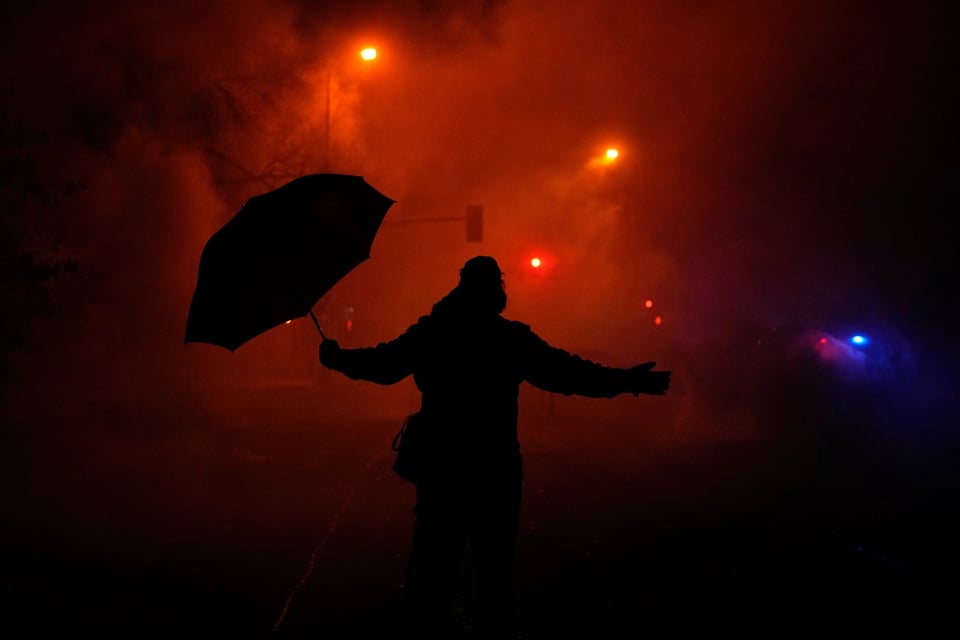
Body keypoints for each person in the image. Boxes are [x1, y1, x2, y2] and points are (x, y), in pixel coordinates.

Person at [318, 256, 671, 638]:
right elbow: (568, 373)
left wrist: (337, 358)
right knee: (494, 575)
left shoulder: (433, 332)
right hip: (495, 468)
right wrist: (627, 381)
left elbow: (383, 365)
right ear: (493, 290)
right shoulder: (507, 338)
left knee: (432, 574)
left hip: (443, 468)